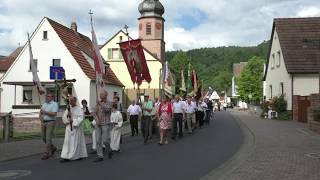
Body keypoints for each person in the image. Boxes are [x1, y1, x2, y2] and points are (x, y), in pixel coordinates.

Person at [60, 96, 88, 162]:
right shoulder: (68, 109)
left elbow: (81, 118)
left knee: (76, 142)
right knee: (67, 142)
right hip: (69, 128)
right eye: (70, 101)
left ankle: (77, 155)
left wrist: (73, 121)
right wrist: (67, 118)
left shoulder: (79, 109)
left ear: (75, 101)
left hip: (76, 128)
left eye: (72, 101)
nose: (70, 102)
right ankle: (66, 156)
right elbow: (64, 117)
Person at [92, 90, 113, 162]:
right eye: (100, 94)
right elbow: (94, 112)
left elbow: (108, 109)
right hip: (98, 124)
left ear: (106, 95)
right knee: (98, 140)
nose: (100, 96)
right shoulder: (98, 103)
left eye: (102, 94)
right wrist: (96, 120)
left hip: (105, 123)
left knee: (105, 140)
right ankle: (100, 156)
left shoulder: (110, 102)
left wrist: (101, 104)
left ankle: (109, 149)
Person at [39, 93, 59, 160]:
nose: (47, 98)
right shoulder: (44, 104)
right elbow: (40, 113)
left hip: (50, 122)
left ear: (52, 97)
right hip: (43, 122)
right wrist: (41, 121)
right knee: (43, 138)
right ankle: (53, 148)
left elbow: (54, 114)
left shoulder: (54, 104)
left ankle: (47, 153)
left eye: (49, 96)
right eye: (46, 96)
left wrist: (45, 112)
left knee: (48, 139)